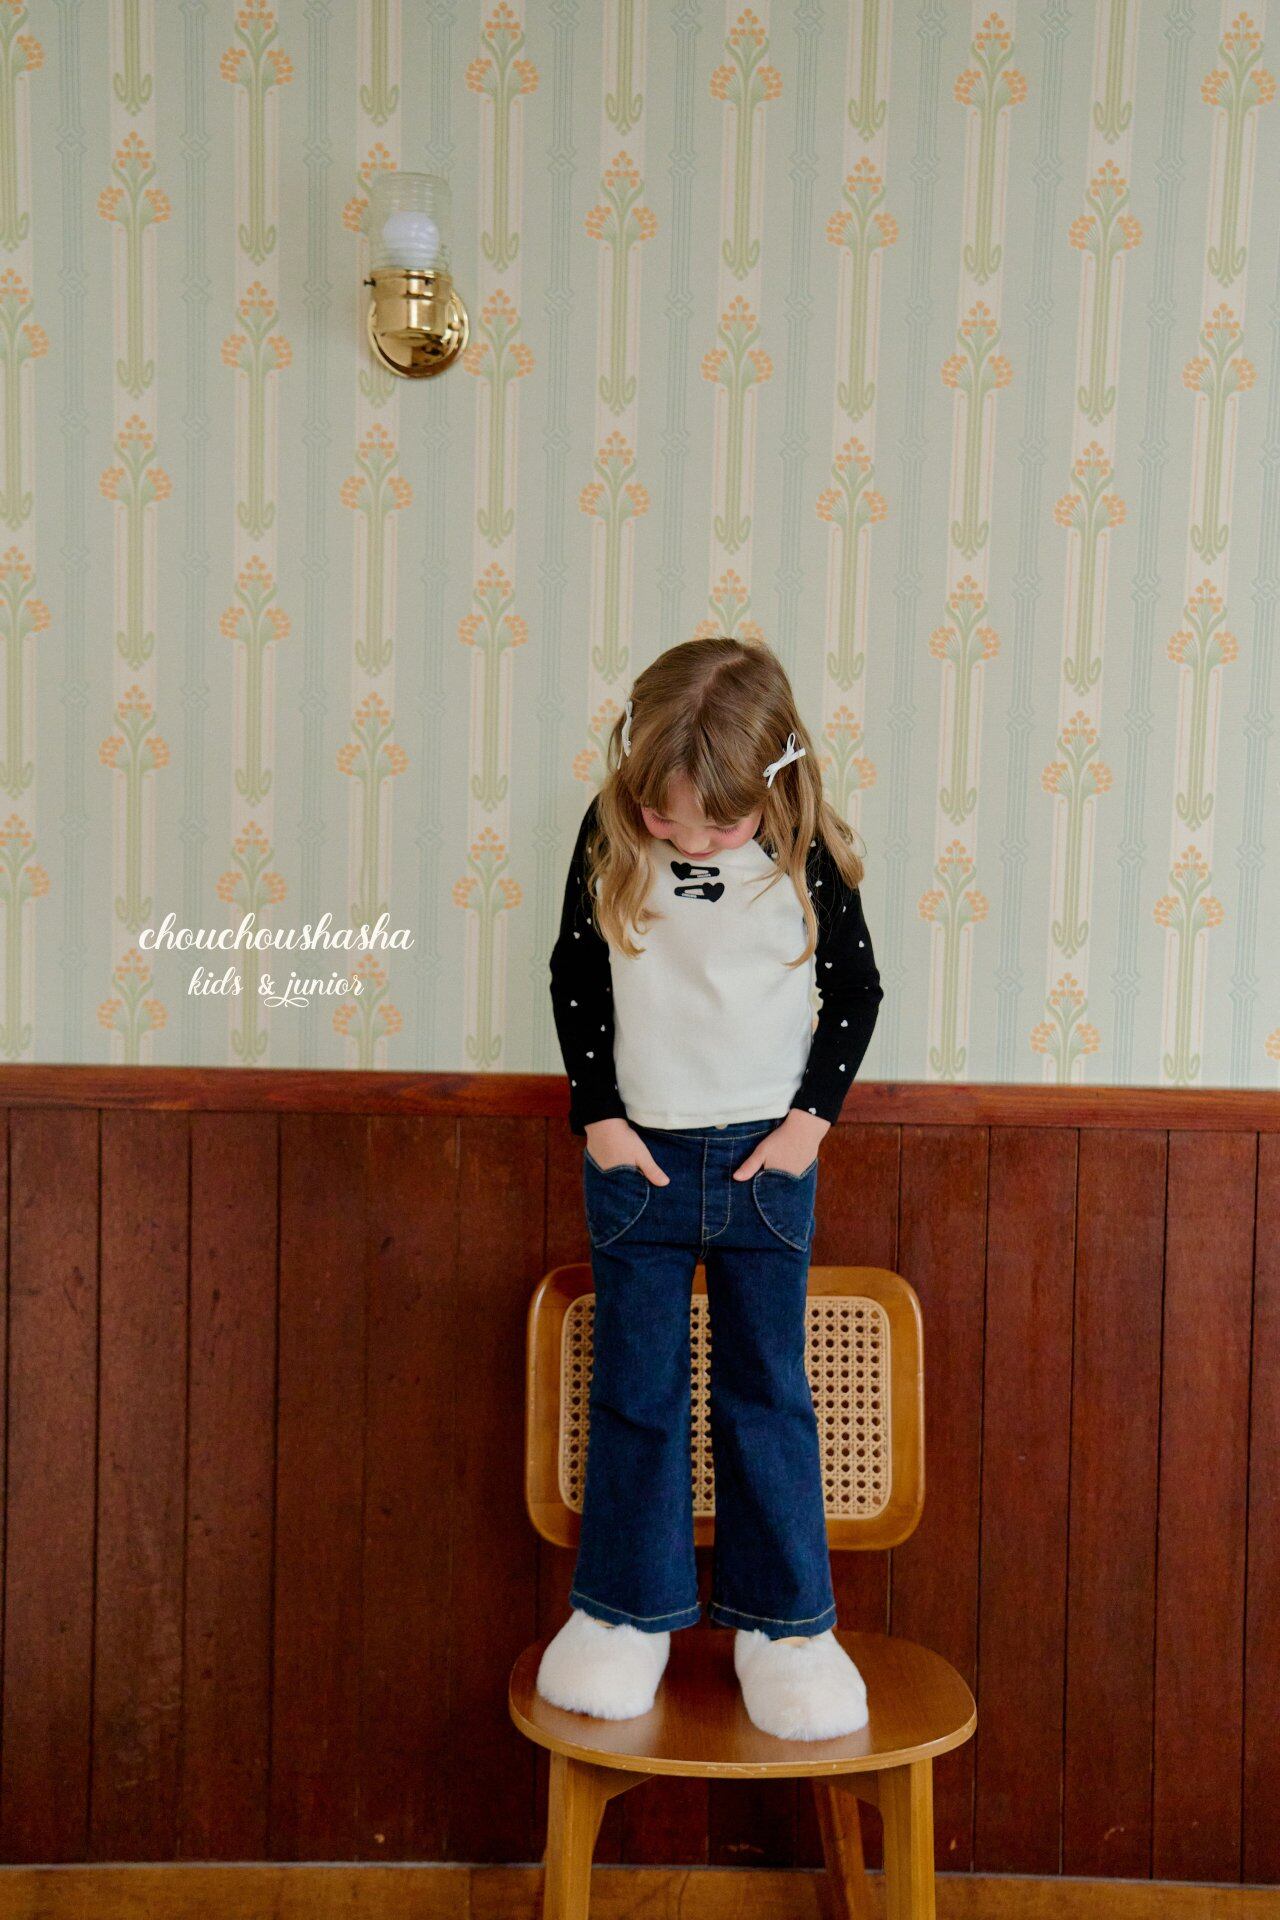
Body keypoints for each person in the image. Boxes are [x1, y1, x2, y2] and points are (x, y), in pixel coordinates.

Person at [537, 636, 883, 1741]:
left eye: (713, 826)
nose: (686, 840)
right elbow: (577, 974)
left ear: (771, 785)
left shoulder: (802, 849)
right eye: (665, 818)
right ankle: (623, 1613)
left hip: (762, 1164)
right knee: (635, 1390)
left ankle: (786, 1628)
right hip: (636, 1158)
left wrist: (806, 1127)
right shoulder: (607, 832)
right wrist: (597, 1117)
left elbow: (855, 990)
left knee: (765, 1391)